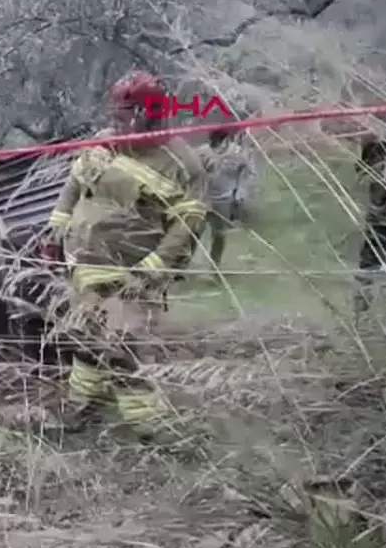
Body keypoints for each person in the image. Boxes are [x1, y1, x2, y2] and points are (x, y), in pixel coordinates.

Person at [43, 71, 207, 436]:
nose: (117, 121)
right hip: (84, 265)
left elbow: (187, 225)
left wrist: (153, 268)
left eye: (127, 113)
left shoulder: (183, 164)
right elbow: (74, 183)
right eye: (116, 112)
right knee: (85, 338)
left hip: (132, 273)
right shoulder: (104, 144)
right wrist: (57, 227)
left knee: (124, 346)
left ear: (154, 112)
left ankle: (153, 429)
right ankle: (82, 409)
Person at [353, 127, 386, 314]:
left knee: (373, 252)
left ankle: (361, 300)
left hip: (384, 203)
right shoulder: (380, 133)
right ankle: (361, 301)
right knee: (374, 249)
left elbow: (363, 168)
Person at [197, 128, 255, 274]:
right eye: (212, 143)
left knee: (219, 235)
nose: (213, 146)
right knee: (193, 233)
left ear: (226, 141)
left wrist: (239, 192)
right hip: (202, 199)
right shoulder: (201, 151)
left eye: (217, 143)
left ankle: (215, 266)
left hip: (223, 200)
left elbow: (247, 172)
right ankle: (180, 265)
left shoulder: (238, 153)